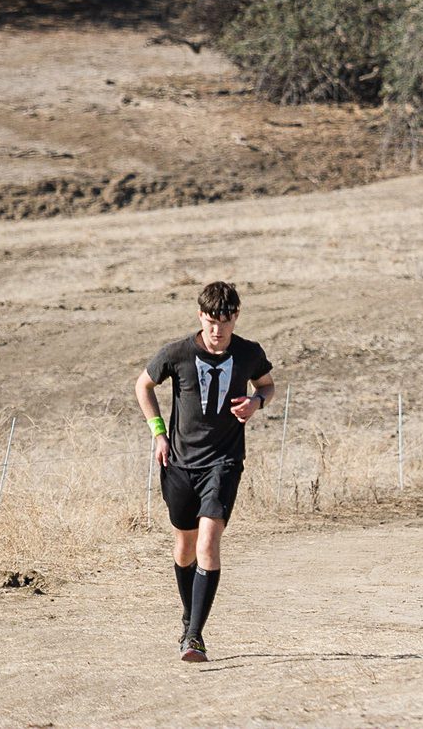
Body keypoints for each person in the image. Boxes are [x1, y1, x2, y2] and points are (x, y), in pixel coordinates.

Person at [134, 280, 275, 663]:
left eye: (225, 323)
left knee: (208, 543)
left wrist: (257, 402)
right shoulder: (177, 353)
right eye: (211, 322)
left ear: (235, 319)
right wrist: (159, 434)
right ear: (201, 317)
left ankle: (194, 636)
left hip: (224, 463)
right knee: (184, 548)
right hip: (178, 464)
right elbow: (143, 386)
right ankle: (189, 615)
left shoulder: (249, 353)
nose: (217, 331)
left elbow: (266, 383)